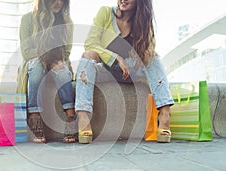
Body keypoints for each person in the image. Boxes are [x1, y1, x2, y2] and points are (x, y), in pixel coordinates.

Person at [75, 0, 174, 144]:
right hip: (105, 69)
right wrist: (115, 58)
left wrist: (143, 53)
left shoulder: (144, 21)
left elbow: (149, 51)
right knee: (88, 54)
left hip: (132, 71)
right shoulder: (106, 13)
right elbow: (90, 43)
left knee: (152, 55)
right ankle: (83, 117)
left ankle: (165, 114)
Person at [16, 0, 77, 143]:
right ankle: (34, 116)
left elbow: (66, 53)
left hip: (58, 61)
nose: (58, 2)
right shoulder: (27, 19)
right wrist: (47, 56)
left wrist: (54, 60)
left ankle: (71, 116)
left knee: (62, 72)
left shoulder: (68, 23)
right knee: (37, 66)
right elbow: (26, 52)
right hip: (35, 61)